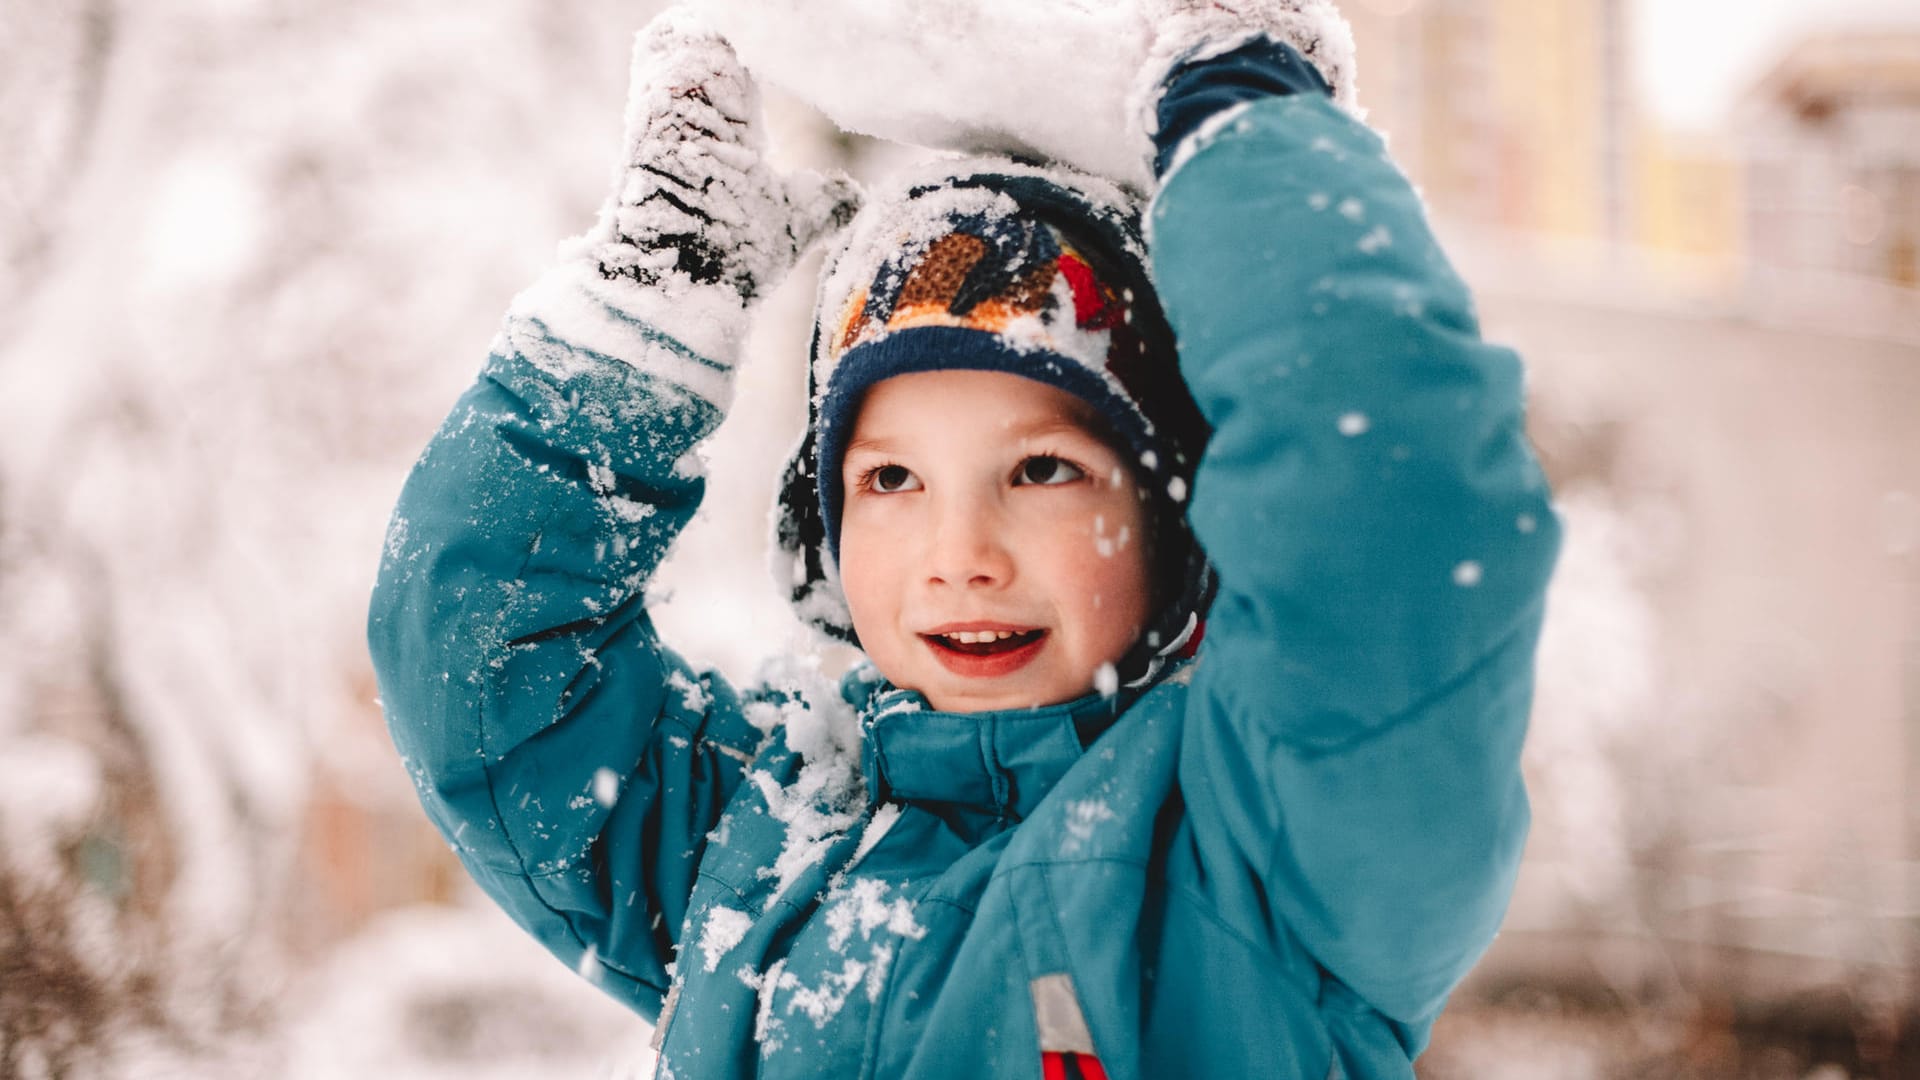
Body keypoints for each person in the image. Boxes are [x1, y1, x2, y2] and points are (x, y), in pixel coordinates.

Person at [368, 1, 1561, 1075]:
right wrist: (641, 322)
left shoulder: (1272, 863)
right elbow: (482, 675)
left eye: (1042, 469)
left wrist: (1241, 134)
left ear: (1178, 516)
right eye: (890, 478)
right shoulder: (754, 842)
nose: (961, 552)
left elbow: (1392, 527)